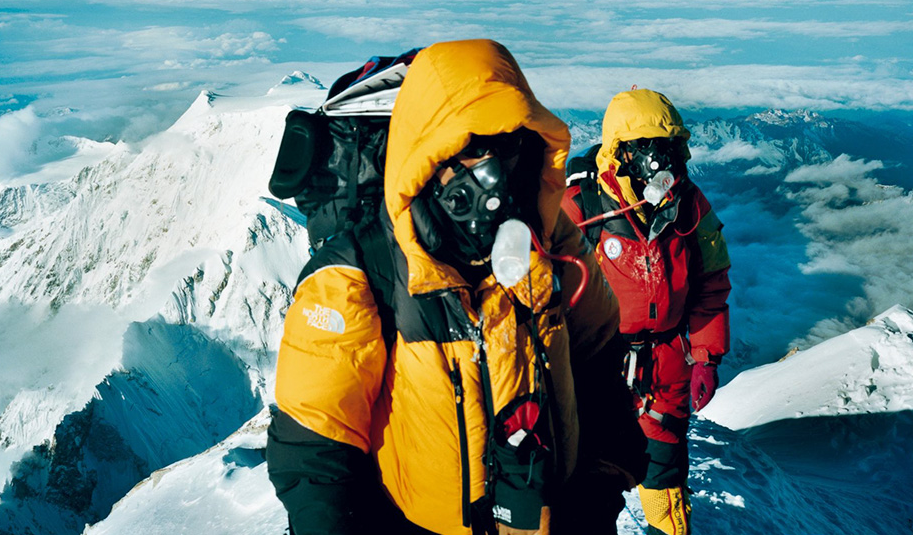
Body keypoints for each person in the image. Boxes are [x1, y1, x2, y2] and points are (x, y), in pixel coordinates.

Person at [266, 39, 647, 535]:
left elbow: (599, 370)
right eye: (466, 148)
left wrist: (596, 495)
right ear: (424, 155)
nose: (489, 172)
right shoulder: (361, 272)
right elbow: (315, 450)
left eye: (504, 145)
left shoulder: (555, 245)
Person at [561, 89, 731, 535]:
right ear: (620, 153)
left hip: (666, 367)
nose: (664, 158)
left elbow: (711, 285)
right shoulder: (580, 208)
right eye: (651, 146)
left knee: (664, 476)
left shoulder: (689, 205)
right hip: (597, 367)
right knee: (593, 477)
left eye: (672, 144)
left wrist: (706, 358)